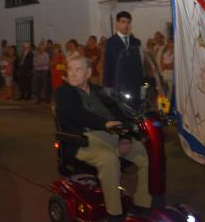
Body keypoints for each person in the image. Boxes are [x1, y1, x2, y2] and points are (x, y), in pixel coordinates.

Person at [55, 57, 151, 222]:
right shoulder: (64, 93)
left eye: (78, 69)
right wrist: (106, 123)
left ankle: (142, 203)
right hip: (82, 140)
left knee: (145, 154)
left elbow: (121, 114)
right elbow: (79, 114)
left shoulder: (100, 92)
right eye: (70, 69)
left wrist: (125, 138)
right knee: (109, 159)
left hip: (111, 135)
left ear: (89, 73)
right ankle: (114, 214)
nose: (72, 73)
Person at [103, 11, 144, 109]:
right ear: (117, 24)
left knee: (135, 112)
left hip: (134, 85)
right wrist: (108, 86)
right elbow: (108, 65)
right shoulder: (110, 42)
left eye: (128, 22)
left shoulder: (136, 42)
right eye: (123, 22)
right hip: (118, 85)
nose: (126, 25)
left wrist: (142, 85)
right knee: (121, 113)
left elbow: (139, 65)